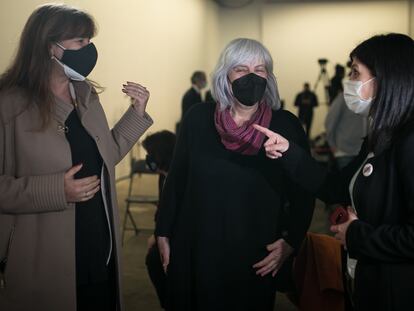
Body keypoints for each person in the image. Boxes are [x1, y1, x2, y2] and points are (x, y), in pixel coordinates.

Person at [0, 4, 153, 311]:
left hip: (97, 243)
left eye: (89, 40)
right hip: (43, 256)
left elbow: (104, 157)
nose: (89, 49)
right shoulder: (9, 105)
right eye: (80, 42)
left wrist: (135, 115)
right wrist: (58, 190)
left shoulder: (85, 95)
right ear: (49, 47)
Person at [254, 33, 414, 311]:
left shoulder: (409, 143)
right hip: (365, 282)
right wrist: (289, 152)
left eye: (355, 73)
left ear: (385, 79)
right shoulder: (379, 140)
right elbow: (333, 187)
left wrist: (355, 234)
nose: (349, 82)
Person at [156, 38, 314, 311]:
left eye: (260, 69)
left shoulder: (285, 125)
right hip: (196, 247)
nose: (251, 76)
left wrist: (291, 241)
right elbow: (177, 180)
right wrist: (162, 232)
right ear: (224, 75)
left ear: (269, 76)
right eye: (240, 69)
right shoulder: (198, 118)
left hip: (253, 255)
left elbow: (304, 188)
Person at [142, 130, 176, 310]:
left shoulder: (180, 177)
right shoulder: (163, 176)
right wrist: (156, 235)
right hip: (166, 234)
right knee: (154, 259)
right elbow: (161, 211)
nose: (148, 160)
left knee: (156, 260)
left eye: (150, 155)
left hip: (182, 235)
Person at [325, 92, 367, 169]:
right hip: (345, 151)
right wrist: (332, 145)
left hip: (363, 151)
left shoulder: (369, 98)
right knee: (347, 179)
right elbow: (330, 121)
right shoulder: (343, 98)